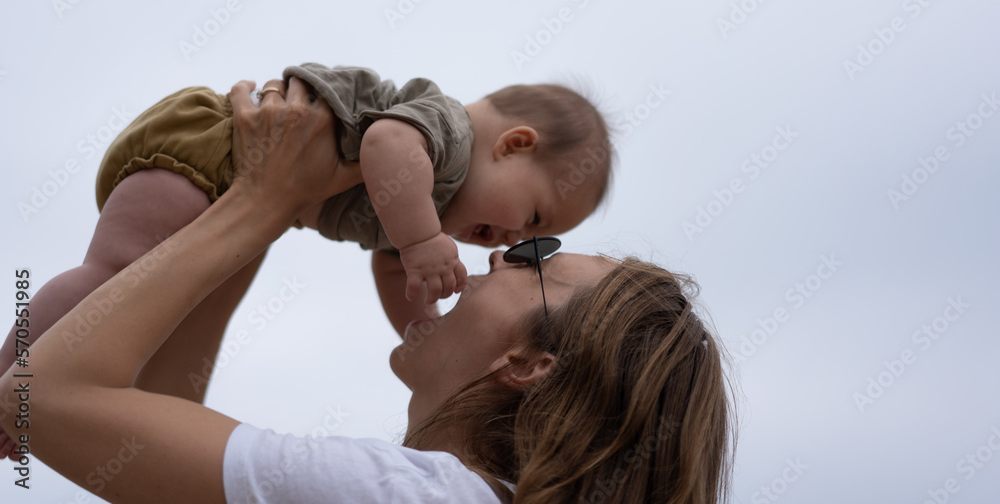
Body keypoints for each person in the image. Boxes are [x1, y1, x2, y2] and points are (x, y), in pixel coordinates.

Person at [0, 79, 735, 503]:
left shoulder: (404, 492)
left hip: (215, 164)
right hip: (201, 152)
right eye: (533, 234)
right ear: (515, 143)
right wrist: (258, 208)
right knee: (108, 274)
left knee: (105, 276)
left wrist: (261, 201)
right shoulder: (440, 143)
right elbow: (140, 443)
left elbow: (47, 398)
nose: (499, 254)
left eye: (533, 256)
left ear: (530, 363)